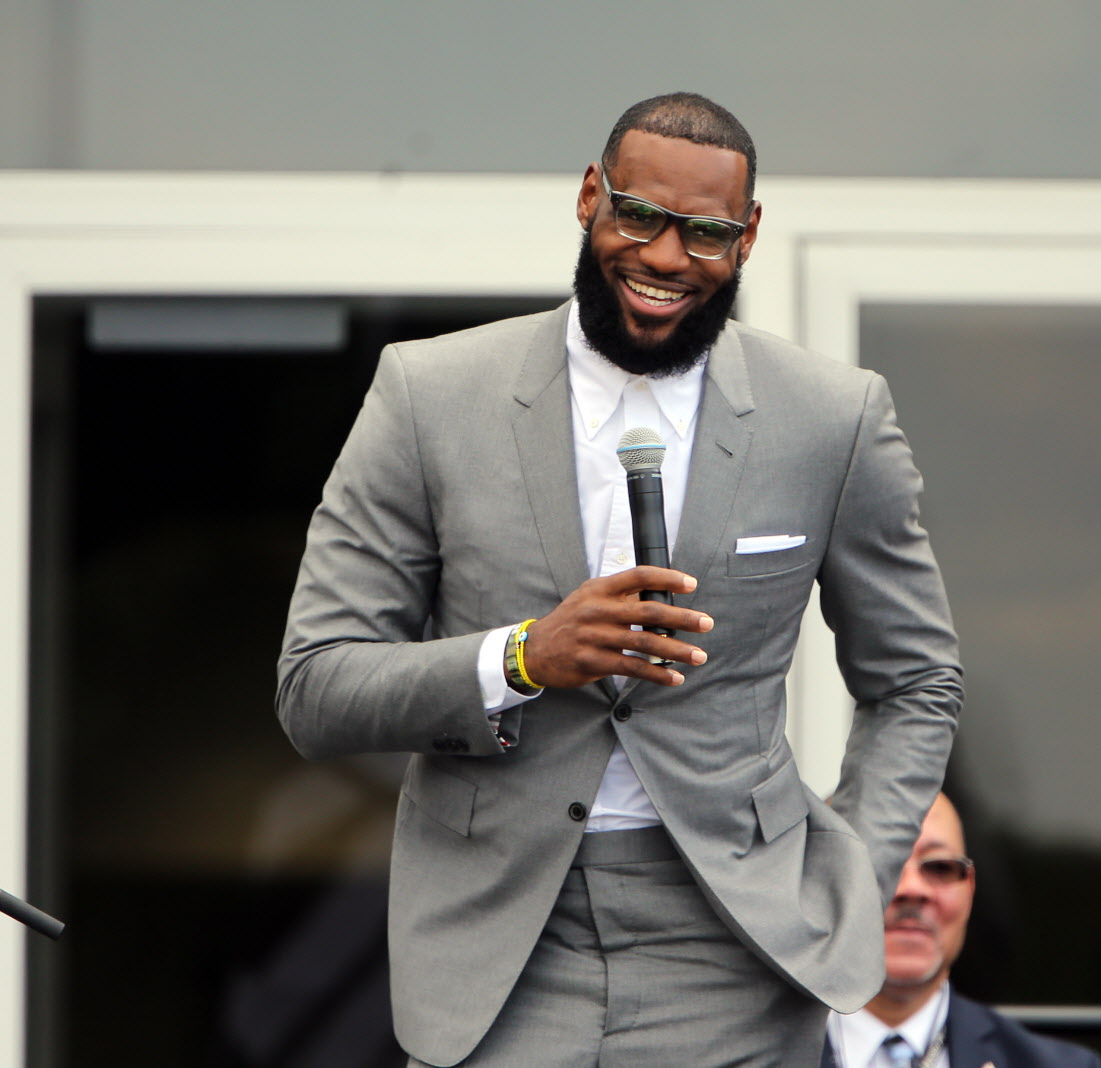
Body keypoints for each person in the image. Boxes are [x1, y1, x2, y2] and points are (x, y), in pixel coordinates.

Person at [276, 91, 963, 1067]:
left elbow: (915, 682)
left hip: (737, 935)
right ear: (590, 196)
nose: (666, 258)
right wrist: (520, 658)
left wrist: (847, 871)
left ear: (749, 235)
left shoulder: (831, 418)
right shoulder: (429, 396)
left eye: (707, 232)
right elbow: (316, 687)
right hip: (499, 939)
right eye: (638, 216)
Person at [822, 794, 1101, 1067]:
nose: (911, 889)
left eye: (940, 867)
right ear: (815, 887)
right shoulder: (778, 1050)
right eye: (879, 865)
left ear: (969, 891)